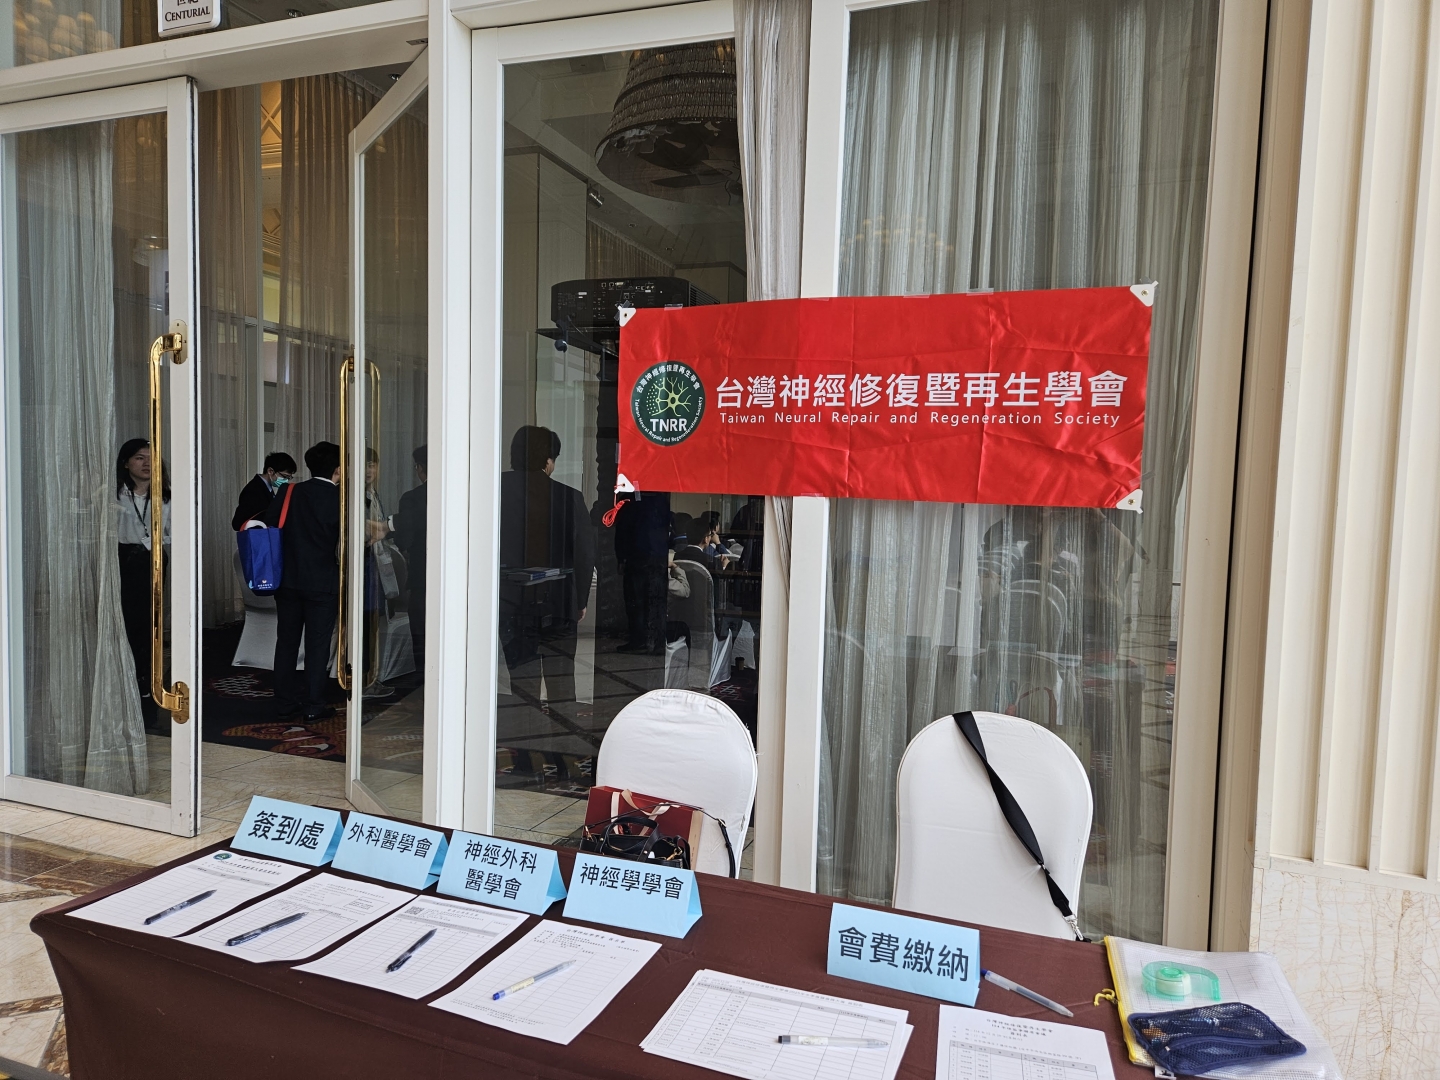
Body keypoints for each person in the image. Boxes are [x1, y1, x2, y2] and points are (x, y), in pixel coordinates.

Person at [498, 426, 595, 710]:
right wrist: (579, 601)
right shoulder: (568, 496)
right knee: (561, 682)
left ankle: (525, 734)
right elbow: (584, 553)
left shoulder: (494, 490)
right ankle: (561, 735)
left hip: (511, 602)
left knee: (522, 683)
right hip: (558, 601)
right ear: (549, 460)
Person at [264, 441, 341, 721]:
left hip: (288, 579)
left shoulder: (289, 491)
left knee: (286, 642)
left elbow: (271, 523)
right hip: (322, 581)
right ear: (338, 469)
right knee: (317, 646)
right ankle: (313, 704)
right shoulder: (340, 498)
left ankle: (284, 702)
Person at [116, 438, 171, 732]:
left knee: (150, 627)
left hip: (153, 561)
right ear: (126, 463)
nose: (147, 463)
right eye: (139, 457)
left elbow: (173, 532)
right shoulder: (114, 495)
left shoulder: (166, 496)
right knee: (125, 627)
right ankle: (126, 689)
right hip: (123, 560)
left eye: (152, 458)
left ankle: (148, 692)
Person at [614, 491, 672, 654]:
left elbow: (622, 530)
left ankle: (639, 640)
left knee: (636, 600)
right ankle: (657, 641)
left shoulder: (628, 500)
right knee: (657, 600)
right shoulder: (662, 500)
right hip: (658, 556)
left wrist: (621, 557)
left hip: (636, 557)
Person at [392, 445, 427, 669]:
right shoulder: (462, 494)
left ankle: (425, 682)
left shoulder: (413, 498)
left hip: (422, 576)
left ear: (420, 468)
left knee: (422, 635)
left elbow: (404, 540)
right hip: (460, 580)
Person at [231, 452, 297, 530]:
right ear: (270, 471)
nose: (286, 480)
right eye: (285, 476)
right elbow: (238, 522)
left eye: (289, 478)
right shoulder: (254, 490)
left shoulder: (266, 488)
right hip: (258, 535)